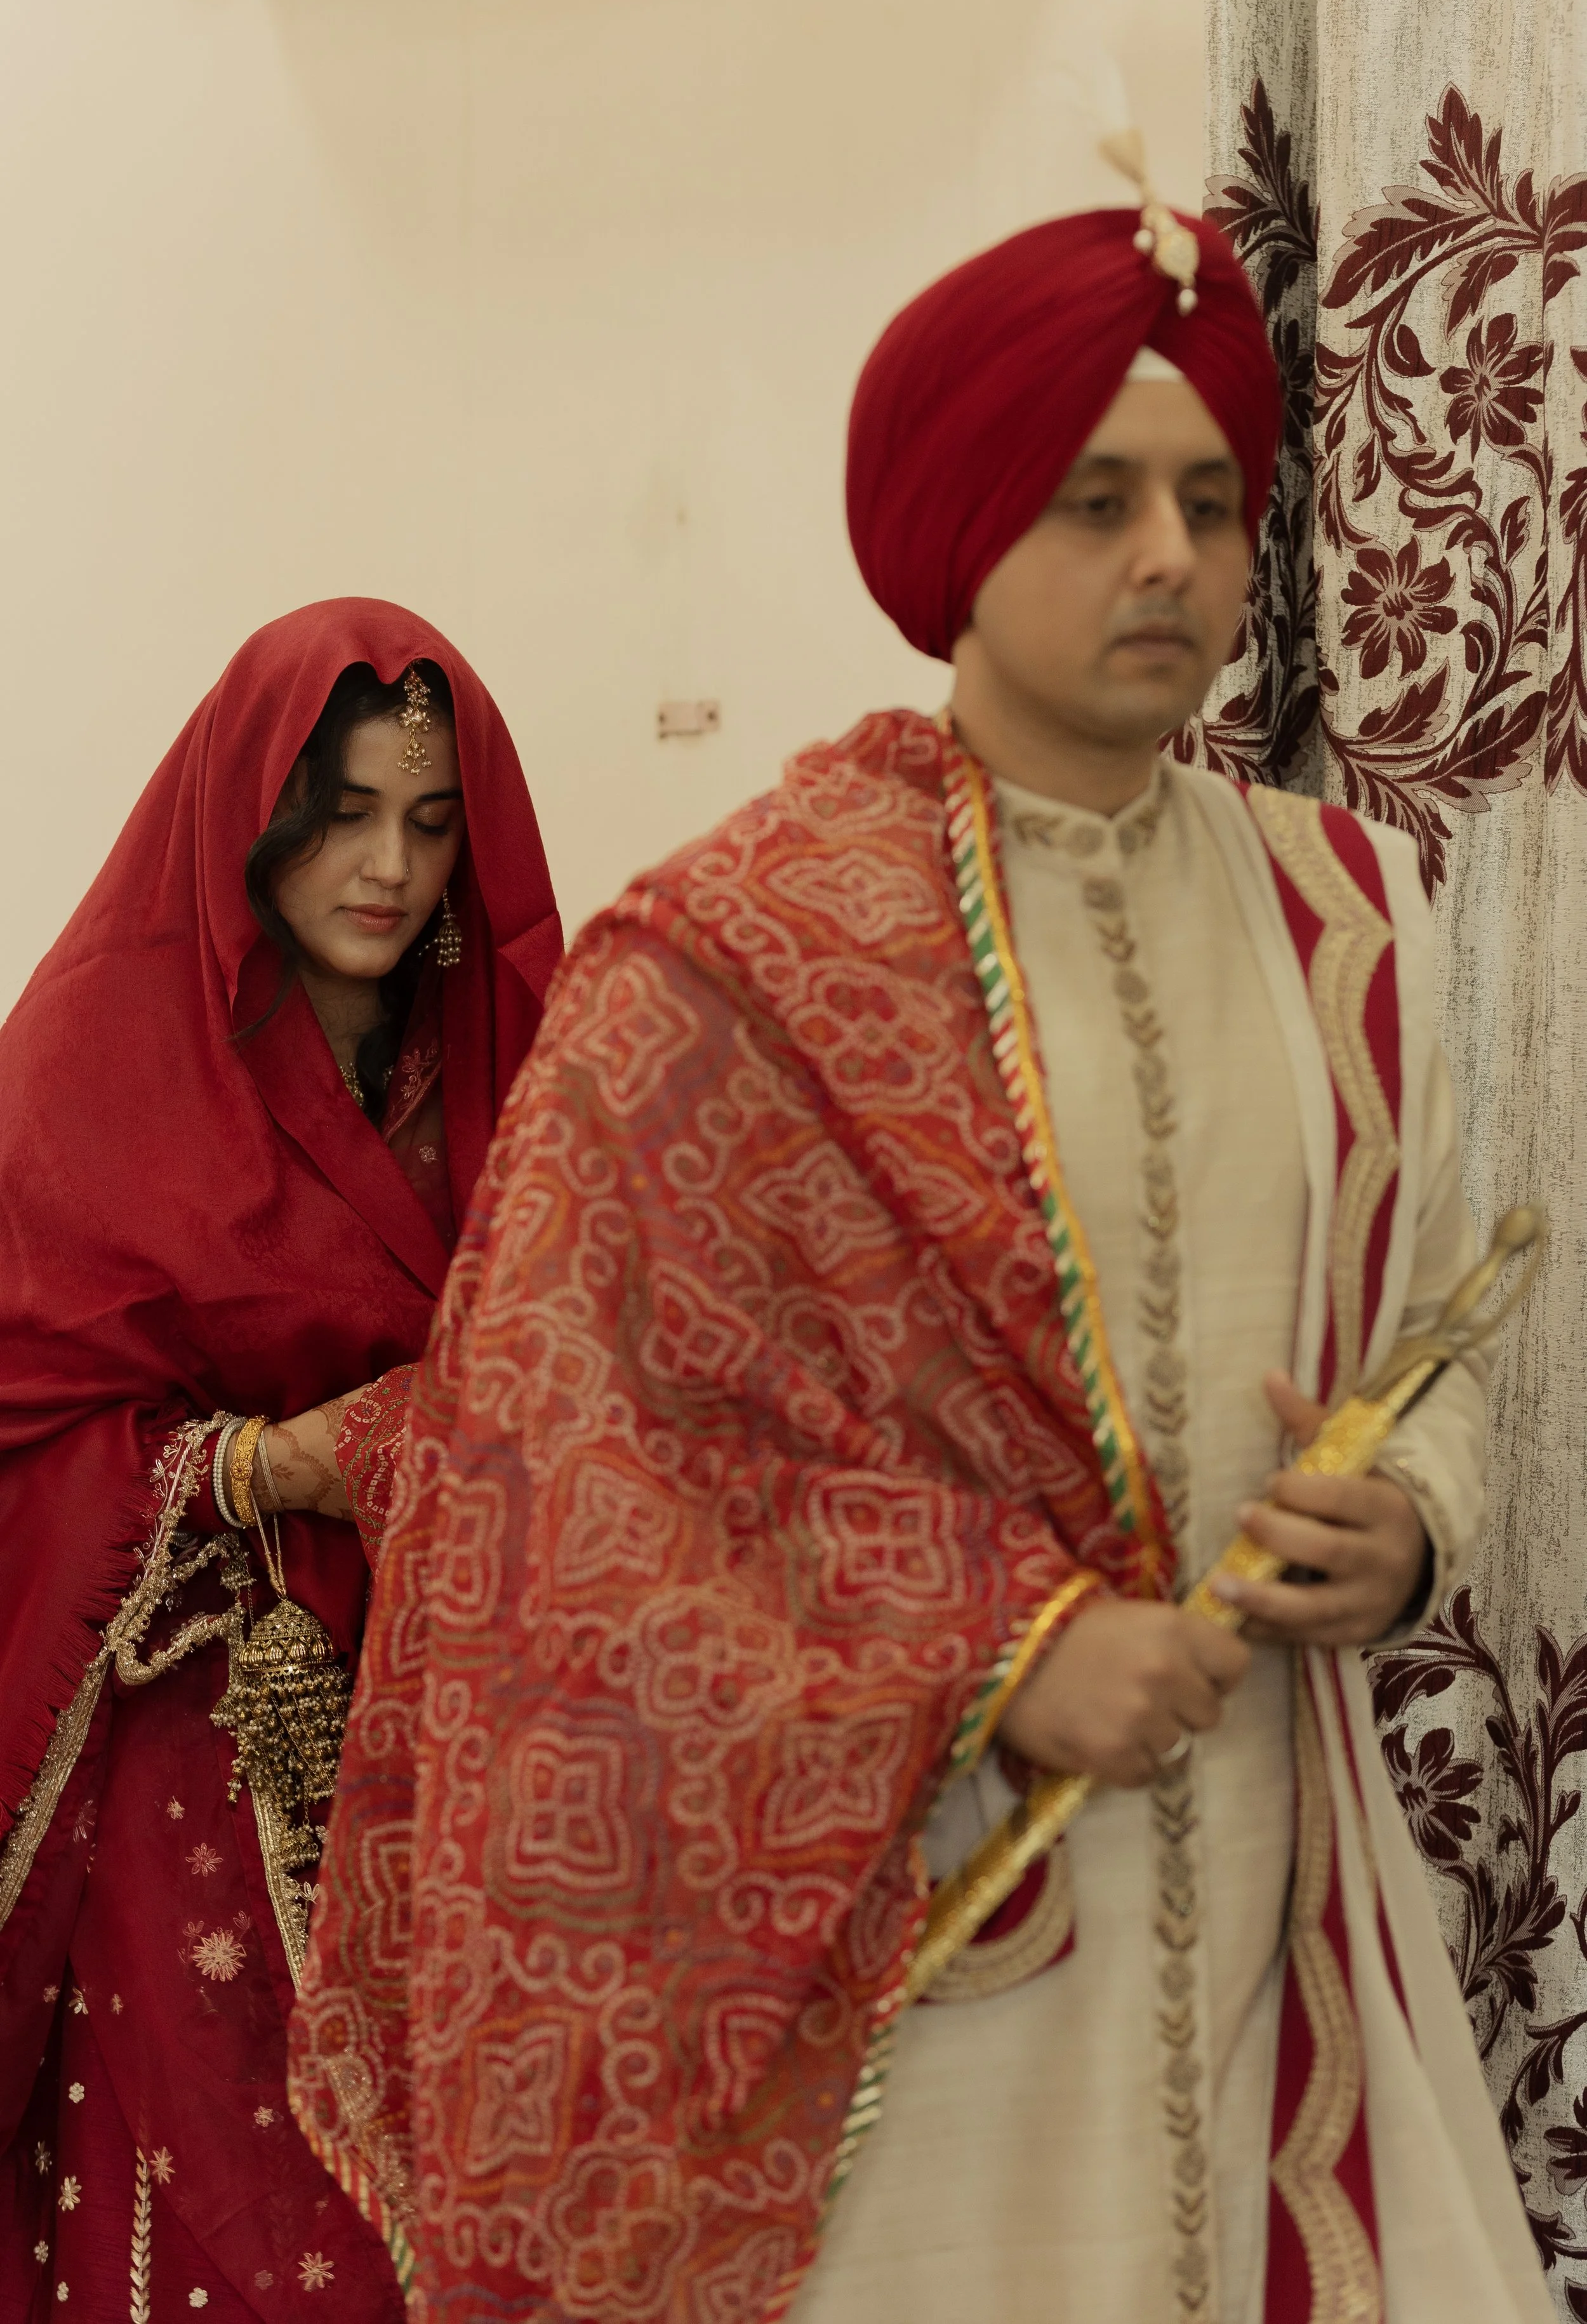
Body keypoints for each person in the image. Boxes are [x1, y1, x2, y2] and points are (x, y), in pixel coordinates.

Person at [289, 199, 1551, 2324]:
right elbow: (572, 1502)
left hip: (1279, 1896)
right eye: (1093, 497)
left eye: (1210, 499)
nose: (1166, 553)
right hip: (905, 1979)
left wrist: (1411, 1520)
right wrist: (994, 1638)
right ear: (959, 526)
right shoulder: (724, 967)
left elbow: (1421, 1319)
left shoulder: (1353, 916)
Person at [0, 599, 561, 2321]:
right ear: (256, 818)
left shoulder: (499, 1069)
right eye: (342, 813)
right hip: (179, 1727)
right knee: (239, 2210)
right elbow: (29, 1397)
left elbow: (592, 1341)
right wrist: (271, 1468)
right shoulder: (97, 1053)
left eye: (429, 817)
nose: (386, 866)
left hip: (447, 1724)